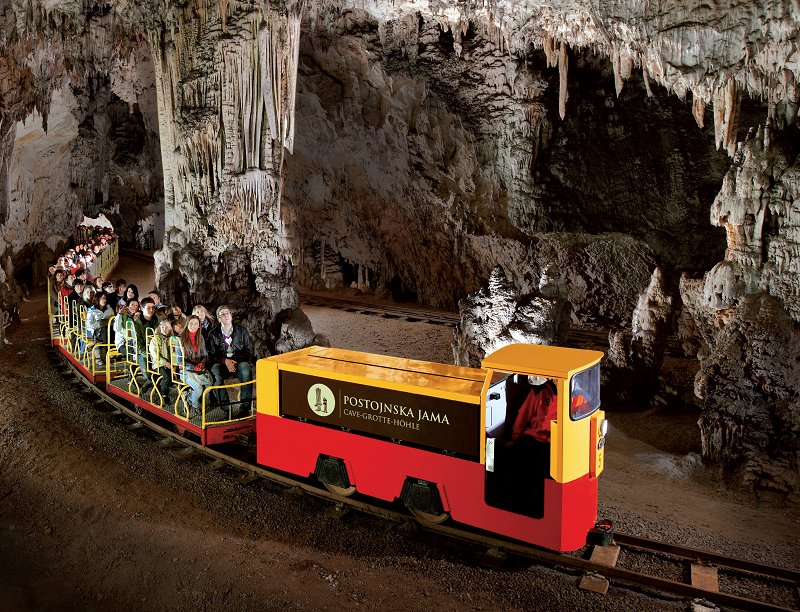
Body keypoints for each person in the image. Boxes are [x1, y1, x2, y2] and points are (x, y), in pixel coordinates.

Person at [207, 305, 254, 415]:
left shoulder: (242, 330)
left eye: (227, 313)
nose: (226, 315)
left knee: (246, 370)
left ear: (231, 316)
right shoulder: (213, 334)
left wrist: (234, 362)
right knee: (216, 375)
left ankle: (245, 408)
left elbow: (248, 350)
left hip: (238, 361)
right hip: (221, 363)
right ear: (219, 319)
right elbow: (211, 355)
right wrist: (225, 361)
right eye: (222, 314)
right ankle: (226, 409)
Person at [180, 315, 213, 416]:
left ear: (199, 326)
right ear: (187, 324)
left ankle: (190, 396)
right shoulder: (180, 339)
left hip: (199, 369)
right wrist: (193, 367)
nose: (193, 326)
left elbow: (205, 354)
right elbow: (179, 360)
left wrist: (202, 363)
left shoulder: (200, 338)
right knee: (199, 388)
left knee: (209, 384)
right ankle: (194, 403)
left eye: (196, 324)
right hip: (185, 371)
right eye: (191, 323)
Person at [148, 318, 174, 403]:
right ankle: (164, 394)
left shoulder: (172, 339)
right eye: (163, 327)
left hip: (171, 363)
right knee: (167, 377)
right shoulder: (155, 339)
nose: (165, 329)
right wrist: (166, 363)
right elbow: (155, 354)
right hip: (159, 363)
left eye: (167, 327)